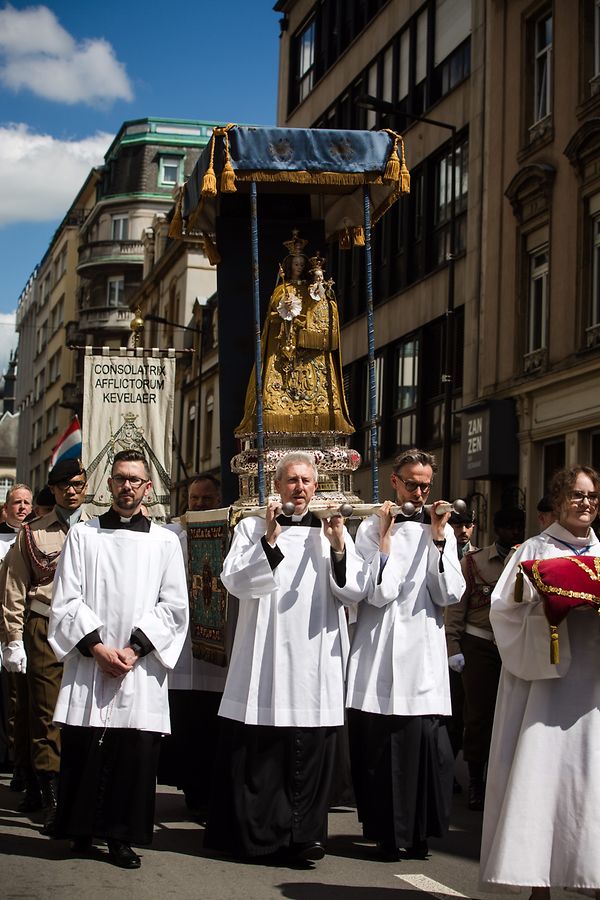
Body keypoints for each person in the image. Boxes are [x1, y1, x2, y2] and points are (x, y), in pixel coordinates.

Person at [204, 451, 367, 862]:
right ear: (276, 486)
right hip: (267, 653)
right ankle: (261, 836)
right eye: (292, 480)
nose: (300, 488)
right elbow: (236, 581)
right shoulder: (252, 528)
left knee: (310, 746)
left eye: (307, 481)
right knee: (264, 747)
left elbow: (355, 590)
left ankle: (306, 835)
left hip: (315, 653)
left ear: (317, 486)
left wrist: (339, 550)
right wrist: (271, 540)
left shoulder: (332, 531)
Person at [48, 449, 188, 869]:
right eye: (120, 479)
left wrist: (134, 649)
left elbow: (174, 606)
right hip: (92, 661)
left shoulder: (165, 541)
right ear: (109, 485)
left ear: (148, 487)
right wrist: (96, 647)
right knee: (84, 745)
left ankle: (121, 838)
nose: (127, 486)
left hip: (138, 667)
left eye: (135, 480)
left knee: (133, 753)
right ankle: (80, 827)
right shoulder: (83, 536)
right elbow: (66, 599)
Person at [480, 466, 600, 895]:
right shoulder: (534, 550)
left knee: (587, 778)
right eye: (576, 495)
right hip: (546, 682)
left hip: (591, 685)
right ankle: (537, 880)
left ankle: (589, 873)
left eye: (592, 496)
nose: (585, 503)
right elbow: (502, 611)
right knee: (541, 774)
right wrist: (549, 603)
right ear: (559, 500)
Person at [347, 448, 465, 861]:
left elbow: (448, 592)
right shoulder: (368, 528)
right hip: (380, 647)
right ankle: (384, 832)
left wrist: (436, 538)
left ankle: (418, 833)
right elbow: (378, 592)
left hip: (423, 653)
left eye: (425, 484)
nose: (419, 491)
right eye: (412, 483)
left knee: (426, 747)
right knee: (382, 749)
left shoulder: (443, 532)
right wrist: (385, 538)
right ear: (394, 482)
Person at [1, 461, 88, 831]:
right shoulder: (33, 533)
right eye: (63, 485)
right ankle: (51, 795)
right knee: (45, 712)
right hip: (45, 623)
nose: (71, 491)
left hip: (89, 630)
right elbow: (14, 589)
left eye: (78, 484)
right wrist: (13, 640)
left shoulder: (99, 529)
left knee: (85, 713)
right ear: (52, 491)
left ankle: (82, 793)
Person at [158, 473, 229, 819]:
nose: (199, 505)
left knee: (212, 727)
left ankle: (209, 791)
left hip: (218, 653)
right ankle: (192, 789)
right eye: (194, 499)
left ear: (219, 500)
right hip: (184, 649)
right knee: (187, 725)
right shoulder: (172, 537)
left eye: (207, 499)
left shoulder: (231, 536)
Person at [235, 231, 353, 436]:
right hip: (286, 346)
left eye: (301, 264)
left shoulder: (311, 289)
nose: (298, 267)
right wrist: (285, 311)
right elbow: (273, 315)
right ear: (289, 266)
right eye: (295, 264)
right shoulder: (282, 288)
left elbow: (318, 308)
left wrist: (322, 295)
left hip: (308, 348)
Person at [445, 507, 525, 811]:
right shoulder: (474, 562)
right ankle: (475, 780)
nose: (513, 533)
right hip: (479, 642)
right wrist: (453, 647)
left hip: (514, 645)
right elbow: (457, 607)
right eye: (507, 527)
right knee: (477, 715)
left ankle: (504, 781)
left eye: (518, 527)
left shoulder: (527, 560)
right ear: (497, 529)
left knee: (514, 715)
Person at [0, 484, 33, 782]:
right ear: (6, 507)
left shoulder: (35, 538)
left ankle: (15, 755)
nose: (21, 507)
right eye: (16, 502)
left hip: (21, 624)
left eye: (26, 502)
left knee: (18, 695)